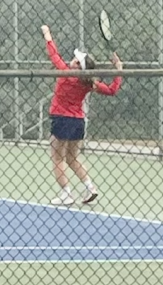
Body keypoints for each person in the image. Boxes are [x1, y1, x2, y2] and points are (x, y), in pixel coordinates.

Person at [41, 25, 123, 206]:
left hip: (61, 119)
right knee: (72, 157)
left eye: (76, 60)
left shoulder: (66, 72)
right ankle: (90, 187)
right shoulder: (89, 83)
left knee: (57, 157)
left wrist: (47, 35)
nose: (72, 60)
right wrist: (118, 70)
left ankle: (66, 193)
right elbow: (112, 90)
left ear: (79, 66)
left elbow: (54, 55)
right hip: (78, 122)